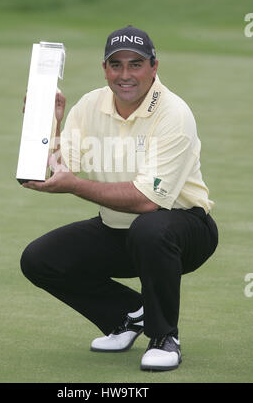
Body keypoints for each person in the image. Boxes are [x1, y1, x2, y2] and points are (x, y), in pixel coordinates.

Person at [20, 25, 218, 372]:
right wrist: (48, 125)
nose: (125, 75)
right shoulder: (90, 105)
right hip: (119, 228)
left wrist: (76, 186)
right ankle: (127, 316)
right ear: (105, 68)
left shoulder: (174, 113)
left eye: (135, 64)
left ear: (154, 68)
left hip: (185, 229)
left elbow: (146, 201)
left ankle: (164, 337)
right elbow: (58, 168)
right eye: (116, 65)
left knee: (150, 228)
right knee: (39, 259)